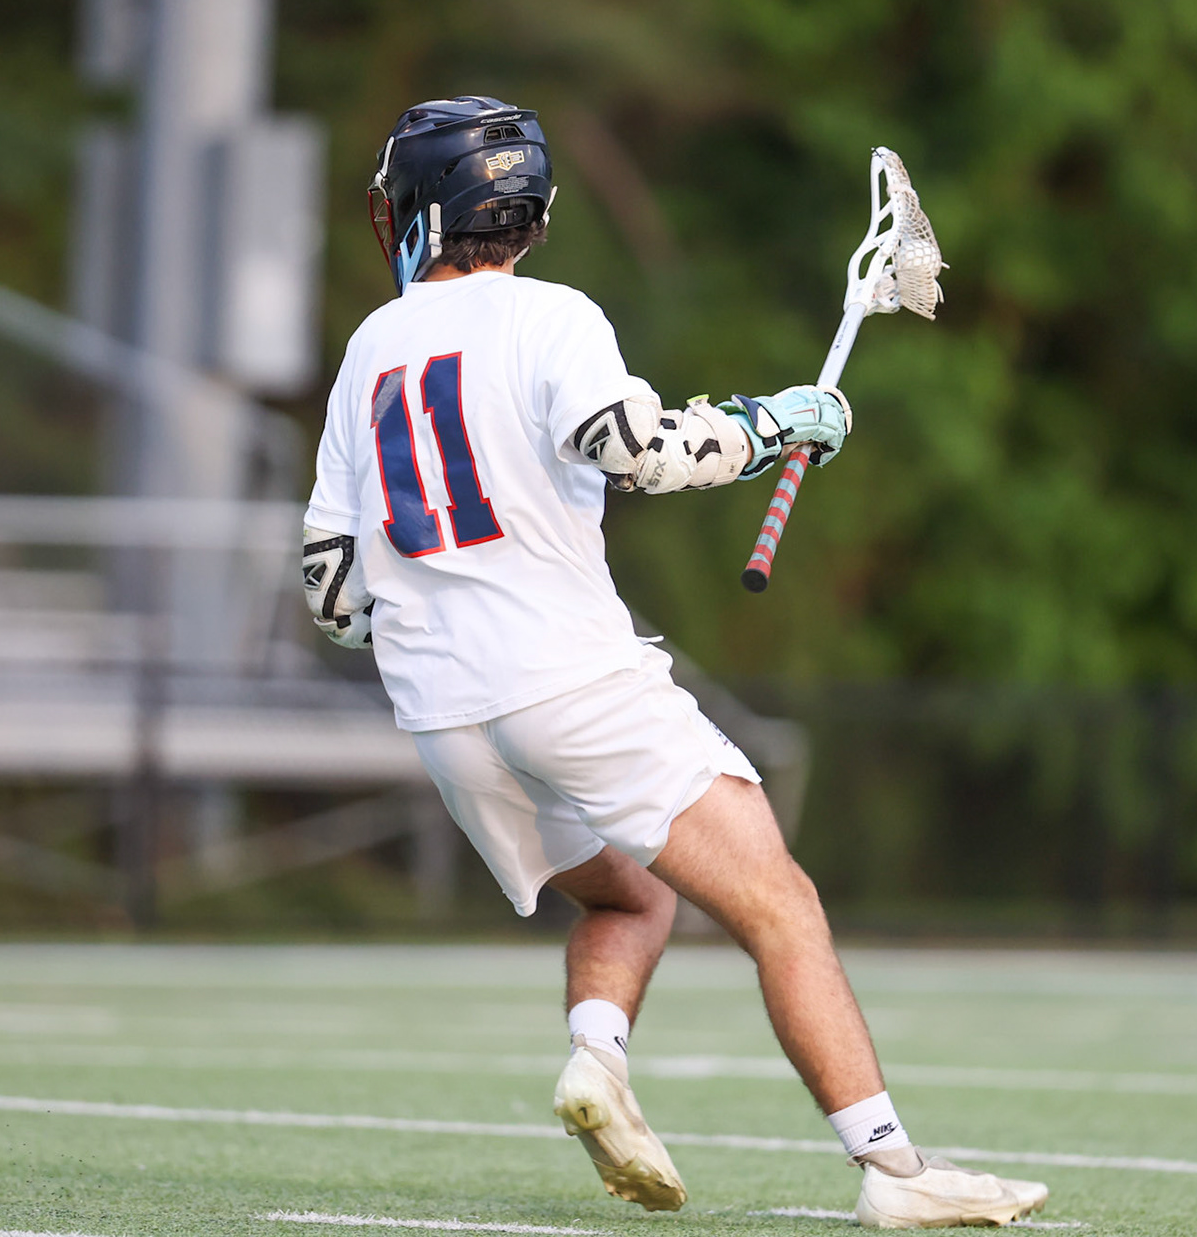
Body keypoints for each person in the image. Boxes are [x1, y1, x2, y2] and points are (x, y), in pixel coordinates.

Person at [301, 95, 1049, 1228]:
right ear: (528, 209)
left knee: (631, 895)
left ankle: (596, 1064)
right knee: (782, 902)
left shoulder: (368, 348)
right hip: (571, 685)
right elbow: (638, 451)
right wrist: (774, 424)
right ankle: (895, 1173)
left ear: (419, 209)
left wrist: (426, 609)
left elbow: (328, 583)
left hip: (446, 717)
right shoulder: (552, 317)